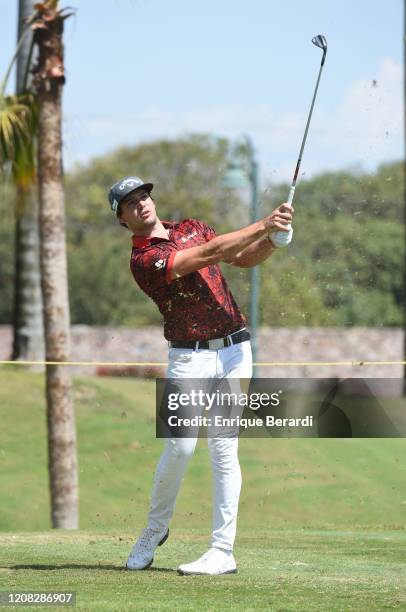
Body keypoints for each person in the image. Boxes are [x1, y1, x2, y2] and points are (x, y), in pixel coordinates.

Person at [108, 175, 294, 575]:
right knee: (181, 447)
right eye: (130, 203)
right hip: (188, 357)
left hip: (235, 350)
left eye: (144, 196)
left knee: (224, 448)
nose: (141, 204)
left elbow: (239, 258)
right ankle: (154, 530)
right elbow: (207, 255)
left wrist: (274, 240)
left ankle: (222, 551)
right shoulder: (143, 261)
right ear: (122, 219)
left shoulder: (192, 227)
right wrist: (264, 222)